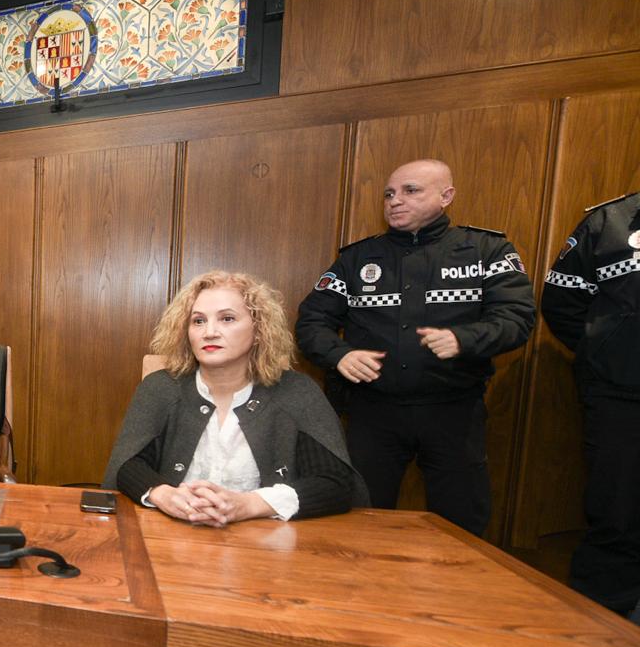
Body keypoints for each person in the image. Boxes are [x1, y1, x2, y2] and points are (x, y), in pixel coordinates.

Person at [295, 159, 535, 536]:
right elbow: (311, 322)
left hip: (453, 411)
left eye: (411, 190)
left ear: (446, 196)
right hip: (373, 414)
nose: (395, 201)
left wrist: (464, 339)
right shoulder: (356, 259)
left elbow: (517, 319)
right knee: (358, 520)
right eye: (389, 193)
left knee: (462, 524)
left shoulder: (487, 250)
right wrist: (339, 355)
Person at [107, 271, 366, 525]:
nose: (209, 332)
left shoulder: (298, 392)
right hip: (172, 538)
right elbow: (128, 465)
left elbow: (335, 483)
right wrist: (162, 494)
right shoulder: (160, 387)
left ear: (259, 329)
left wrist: (248, 505)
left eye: (227, 319)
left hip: (268, 545)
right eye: (198, 321)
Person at [541, 191, 640, 622]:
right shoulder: (608, 221)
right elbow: (562, 302)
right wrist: (606, 356)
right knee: (616, 518)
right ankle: (600, 639)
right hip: (622, 398)